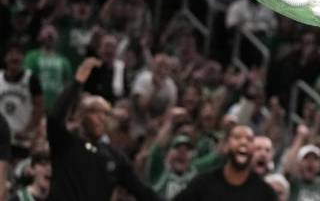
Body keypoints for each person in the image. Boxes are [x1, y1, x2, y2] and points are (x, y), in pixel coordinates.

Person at [46, 57, 160, 200]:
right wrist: (77, 82)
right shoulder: (65, 143)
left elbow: (143, 191)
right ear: (80, 116)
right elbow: (54, 118)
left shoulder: (114, 157)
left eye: (106, 113)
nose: (101, 118)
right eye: (95, 111)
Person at [174, 124, 276, 201]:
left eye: (249, 139)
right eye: (237, 137)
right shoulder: (203, 183)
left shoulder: (265, 193)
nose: (243, 142)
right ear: (225, 146)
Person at [2, 43, 44, 160]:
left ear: (23, 58)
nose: (14, 57)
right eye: (11, 53)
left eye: (18, 54)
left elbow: (39, 109)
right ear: (5, 58)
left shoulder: (31, 79)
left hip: (21, 139)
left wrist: (28, 130)